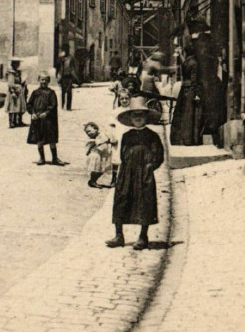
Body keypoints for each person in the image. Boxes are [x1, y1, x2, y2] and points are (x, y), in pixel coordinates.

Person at [106, 95, 164, 250]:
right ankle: (119, 235)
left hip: (144, 174)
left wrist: (150, 166)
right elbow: (123, 154)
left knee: (145, 202)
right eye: (134, 115)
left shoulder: (152, 137)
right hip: (127, 173)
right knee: (121, 200)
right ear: (130, 118)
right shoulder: (127, 136)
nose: (138, 118)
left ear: (146, 117)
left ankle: (143, 236)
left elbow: (159, 155)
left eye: (141, 115)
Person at [26, 72, 65, 165]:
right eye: (42, 79)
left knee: (51, 139)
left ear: (49, 81)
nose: (44, 82)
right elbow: (29, 104)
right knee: (39, 138)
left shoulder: (51, 93)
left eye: (46, 80)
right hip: (38, 119)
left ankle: (54, 158)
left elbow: (53, 105)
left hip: (48, 120)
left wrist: (47, 113)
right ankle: (41, 158)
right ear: (38, 80)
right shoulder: (35, 93)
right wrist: (32, 113)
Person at [170, 45, 203, 145]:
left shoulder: (186, 62)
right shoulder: (195, 63)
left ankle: (180, 139)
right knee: (190, 115)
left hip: (184, 88)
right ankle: (190, 139)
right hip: (191, 89)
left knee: (183, 113)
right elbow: (194, 80)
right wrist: (196, 93)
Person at [84, 122, 111, 188]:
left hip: (102, 155)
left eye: (89, 131)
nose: (88, 133)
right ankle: (92, 181)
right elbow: (88, 149)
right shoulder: (91, 140)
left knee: (102, 170)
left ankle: (93, 181)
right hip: (96, 156)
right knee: (96, 169)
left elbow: (106, 139)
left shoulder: (101, 135)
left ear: (96, 129)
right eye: (87, 132)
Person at [4, 58, 28, 128]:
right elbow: (10, 84)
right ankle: (11, 122)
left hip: (19, 91)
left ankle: (19, 121)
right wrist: (13, 91)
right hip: (13, 91)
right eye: (15, 63)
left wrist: (23, 84)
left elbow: (20, 81)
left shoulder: (18, 72)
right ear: (12, 64)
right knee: (12, 107)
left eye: (18, 63)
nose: (17, 65)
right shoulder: (11, 73)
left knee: (19, 106)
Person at [56, 43, 79, 110]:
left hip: (69, 77)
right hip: (62, 77)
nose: (66, 51)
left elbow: (74, 67)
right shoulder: (60, 58)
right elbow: (58, 67)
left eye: (67, 49)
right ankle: (62, 105)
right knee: (63, 91)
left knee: (69, 91)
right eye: (65, 49)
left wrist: (75, 77)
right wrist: (57, 75)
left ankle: (68, 107)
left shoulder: (71, 58)